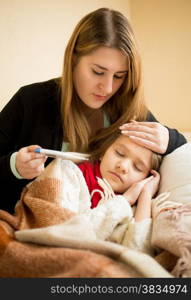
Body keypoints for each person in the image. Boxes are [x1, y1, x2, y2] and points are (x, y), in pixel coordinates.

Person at [0, 7, 186, 213]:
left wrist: (169, 138)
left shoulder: (127, 109)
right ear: (73, 60)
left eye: (119, 76)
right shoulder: (31, 101)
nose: (107, 88)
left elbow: (181, 149)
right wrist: (14, 166)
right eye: (98, 72)